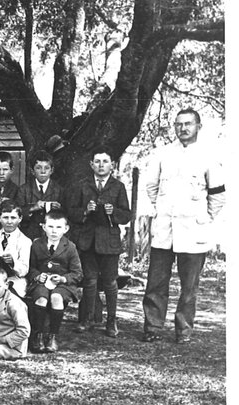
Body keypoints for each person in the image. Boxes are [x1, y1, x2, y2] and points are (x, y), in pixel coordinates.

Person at [142, 108, 226, 343]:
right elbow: (151, 187)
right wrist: (161, 210)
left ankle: (183, 330)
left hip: (193, 231)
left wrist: (204, 217)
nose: (183, 128)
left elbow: (218, 195)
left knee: (189, 287)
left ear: (199, 126)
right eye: (179, 124)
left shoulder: (209, 156)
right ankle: (153, 327)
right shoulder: (163, 154)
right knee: (156, 282)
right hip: (165, 231)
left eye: (188, 124)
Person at [66, 147, 132, 337]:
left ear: (112, 165)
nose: (101, 165)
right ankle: (86, 319)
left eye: (105, 161)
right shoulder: (83, 185)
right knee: (89, 281)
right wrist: (86, 210)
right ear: (91, 165)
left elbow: (127, 215)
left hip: (109, 243)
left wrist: (114, 213)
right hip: (87, 241)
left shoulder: (118, 186)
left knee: (111, 282)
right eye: (97, 161)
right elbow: (72, 212)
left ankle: (111, 321)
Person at [27, 209, 82, 353]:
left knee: (56, 298)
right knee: (41, 298)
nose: (54, 231)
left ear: (66, 229)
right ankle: (38, 336)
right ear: (43, 227)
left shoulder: (70, 247)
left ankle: (52, 337)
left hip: (62, 285)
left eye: (58, 227)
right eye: (50, 226)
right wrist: (38, 276)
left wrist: (63, 278)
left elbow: (77, 273)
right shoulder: (37, 244)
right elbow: (31, 267)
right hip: (41, 283)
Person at [0, 201, 31, 297]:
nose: (9, 221)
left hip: (15, 280)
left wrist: (13, 263)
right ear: (0, 218)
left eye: (13, 218)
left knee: (10, 297)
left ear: (20, 219)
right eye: (5, 217)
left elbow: (24, 270)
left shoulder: (25, 241)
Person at [16, 151, 64, 238]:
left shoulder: (59, 190)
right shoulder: (24, 189)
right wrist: (33, 208)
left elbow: (65, 214)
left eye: (47, 168)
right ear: (32, 171)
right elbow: (17, 212)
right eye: (38, 168)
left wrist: (59, 209)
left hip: (51, 235)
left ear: (51, 170)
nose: (43, 171)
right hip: (28, 234)